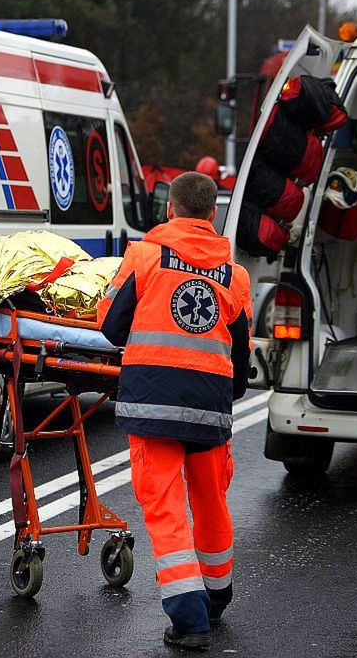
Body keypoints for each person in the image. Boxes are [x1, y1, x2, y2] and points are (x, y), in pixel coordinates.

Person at [97, 171, 252, 651]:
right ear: (212, 215)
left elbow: (110, 325)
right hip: (209, 407)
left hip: (151, 403)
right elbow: (242, 356)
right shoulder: (236, 274)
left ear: (169, 209)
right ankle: (216, 597)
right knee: (210, 501)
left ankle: (189, 622)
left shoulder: (144, 256)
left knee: (166, 512)